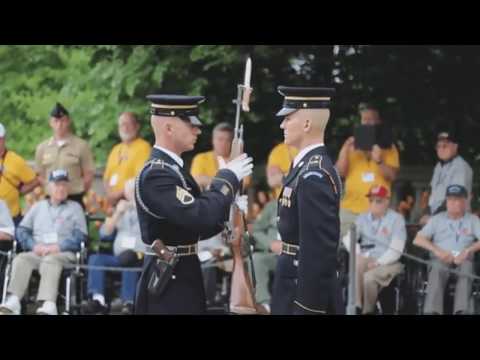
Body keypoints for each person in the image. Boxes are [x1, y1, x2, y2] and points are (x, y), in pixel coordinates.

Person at [134, 94, 253, 314]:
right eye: (191, 125)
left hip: (184, 272)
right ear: (168, 128)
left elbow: (195, 227)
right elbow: (199, 214)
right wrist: (226, 178)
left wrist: (229, 210)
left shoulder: (174, 169)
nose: (198, 131)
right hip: (168, 281)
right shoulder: (157, 174)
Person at [271, 86, 342, 315]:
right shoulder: (302, 166)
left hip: (303, 291)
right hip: (292, 280)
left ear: (307, 124)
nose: (282, 125)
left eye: (288, 118)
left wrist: (307, 307)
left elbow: (318, 250)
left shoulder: (314, 175)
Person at [0, 169, 87, 315]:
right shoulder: (38, 206)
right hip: (38, 251)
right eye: (57, 184)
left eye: (64, 185)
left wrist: (58, 247)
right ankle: (14, 300)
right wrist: (33, 246)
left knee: (51, 260)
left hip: (63, 253)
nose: (61, 188)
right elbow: (22, 230)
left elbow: (81, 236)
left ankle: (48, 303)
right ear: (49, 187)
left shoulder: (75, 208)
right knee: (22, 259)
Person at [336, 102, 400, 239]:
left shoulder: (389, 148)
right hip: (350, 209)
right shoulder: (351, 146)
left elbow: (392, 176)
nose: (367, 123)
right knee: (339, 245)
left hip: (377, 209)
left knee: (373, 249)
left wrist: (379, 160)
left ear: (378, 122)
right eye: (364, 120)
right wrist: (345, 149)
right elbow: (340, 173)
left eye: (371, 120)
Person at [413, 184, 480, 314]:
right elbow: (418, 239)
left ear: (465, 201)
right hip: (440, 257)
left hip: (463, 259)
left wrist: (468, 251)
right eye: (450, 199)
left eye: (457, 199)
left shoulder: (473, 220)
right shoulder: (437, 219)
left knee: (466, 268)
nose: (452, 203)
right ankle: (432, 311)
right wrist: (438, 251)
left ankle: (462, 311)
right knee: (437, 267)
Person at [82, 179, 145, 315]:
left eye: (136, 191)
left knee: (129, 259)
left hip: (140, 256)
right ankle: (98, 300)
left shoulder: (148, 210)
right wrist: (117, 214)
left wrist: (139, 208)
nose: (133, 195)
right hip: (118, 257)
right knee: (95, 259)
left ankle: (128, 303)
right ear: (126, 195)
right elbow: (104, 234)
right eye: (130, 193)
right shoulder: (120, 210)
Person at [342, 185, 406, 314]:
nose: (373, 204)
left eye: (378, 201)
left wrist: (378, 262)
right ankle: (356, 307)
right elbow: (348, 238)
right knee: (357, 262)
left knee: (369, 278)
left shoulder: (397, 219)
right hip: (366, 258)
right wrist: (358, 252)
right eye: (371, 200)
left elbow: (396, 250)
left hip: (388, 262)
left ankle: (367, 311)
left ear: (387, 201)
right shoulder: (362, 218)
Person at [35, 103, 96, 207]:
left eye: (62, 120)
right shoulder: (42, 148)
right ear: (51, 123)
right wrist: (49, 187)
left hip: (74, 197)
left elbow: (88, 174)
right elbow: (39, 175)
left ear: (68, 121)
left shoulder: (81, 146)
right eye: (56, 121)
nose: (59, 125)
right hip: (50, 199)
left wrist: (79, 190)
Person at [420, 131, 473, 224]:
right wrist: (426, 213)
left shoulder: (461, 167)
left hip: (455, 219)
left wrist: (433, 219)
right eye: (438, 146)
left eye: (445, 146)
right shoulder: (439, 166)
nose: (441, 149)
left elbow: (454, 197)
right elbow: (430, 191)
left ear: (455, 147)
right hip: (436, 217)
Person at [103, 112, 151, 207]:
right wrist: (110, 196)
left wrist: (116, 195)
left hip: (130, 203)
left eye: (128, 124)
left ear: (137, 126)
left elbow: (139, 179)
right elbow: (106, 178)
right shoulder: (115, 149)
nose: (125, 128)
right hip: (113, 204)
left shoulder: (144, 148)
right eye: (122, 124)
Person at [0, 122, 39, 224]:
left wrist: (22, 190)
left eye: (0, 139)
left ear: (4, 139)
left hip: (11, 217)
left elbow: (35, 180)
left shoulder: (15, 160)